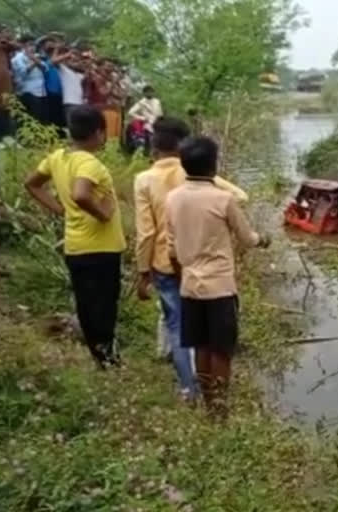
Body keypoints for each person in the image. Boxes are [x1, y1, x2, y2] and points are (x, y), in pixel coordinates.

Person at [134, 117, 248, 400]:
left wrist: (142, 270)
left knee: (179, 327)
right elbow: (239, 197)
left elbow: (146, 232)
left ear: (155, 144)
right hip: (209, 272)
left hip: (168, 263)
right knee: (216, 341)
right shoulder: (204, 179)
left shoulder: (145, 180)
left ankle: (189, 388)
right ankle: (216, 400)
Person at [166, 136, 269, 417]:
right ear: (214, 165)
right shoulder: (224, 199)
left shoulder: (172, 198)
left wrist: (181, 275)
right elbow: (247, 239)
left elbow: (171, 248)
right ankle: (221, 410)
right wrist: (264, 240)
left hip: (190, 287)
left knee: (200, 346)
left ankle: (209, 404)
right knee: (221, 350)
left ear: (184, 165)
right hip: (220, 287)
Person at [25, 105, 126, 369]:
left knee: (86, 304)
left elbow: (32, 183)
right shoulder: (89, 162)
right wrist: (102, 214)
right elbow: (81, 194)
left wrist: (60, 209)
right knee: (104, 305)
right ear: (98, 133)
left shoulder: (58, 158)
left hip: (76, 246)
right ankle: (108, 360)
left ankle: (100, 358)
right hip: (101, 248)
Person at [11, 35, 47, 124]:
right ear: (23, 46)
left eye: (33, 45)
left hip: (41, 92)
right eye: (30, 45)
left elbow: (45, 68)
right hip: (27, 92)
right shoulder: (18, 58)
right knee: (30, 122)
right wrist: (34, 61)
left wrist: (34, 58)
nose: (32, 47)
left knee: (40, 121)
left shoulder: (36, 56)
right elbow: (23, 73)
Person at [0, 25, 16, 141]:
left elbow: (15, 46)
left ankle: (7, 137)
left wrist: (4, 40)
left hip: (4, 86)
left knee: (5, 111)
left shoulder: (4, 49)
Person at [56, 47, 86, 121]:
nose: (75, 61)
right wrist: (68, 54)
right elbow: (54, 61)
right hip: (69, 104)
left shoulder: (79, 75)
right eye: (72, 60)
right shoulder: (63, 70)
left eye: (77, 60)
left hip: (80, 104)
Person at [41, 42, 65, 129]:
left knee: (60, 118)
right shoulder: (44, 60)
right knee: (54, 118)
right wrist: (56, 48)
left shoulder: (59, 62)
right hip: (50, 92)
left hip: (60, 93)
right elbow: (52, 61)